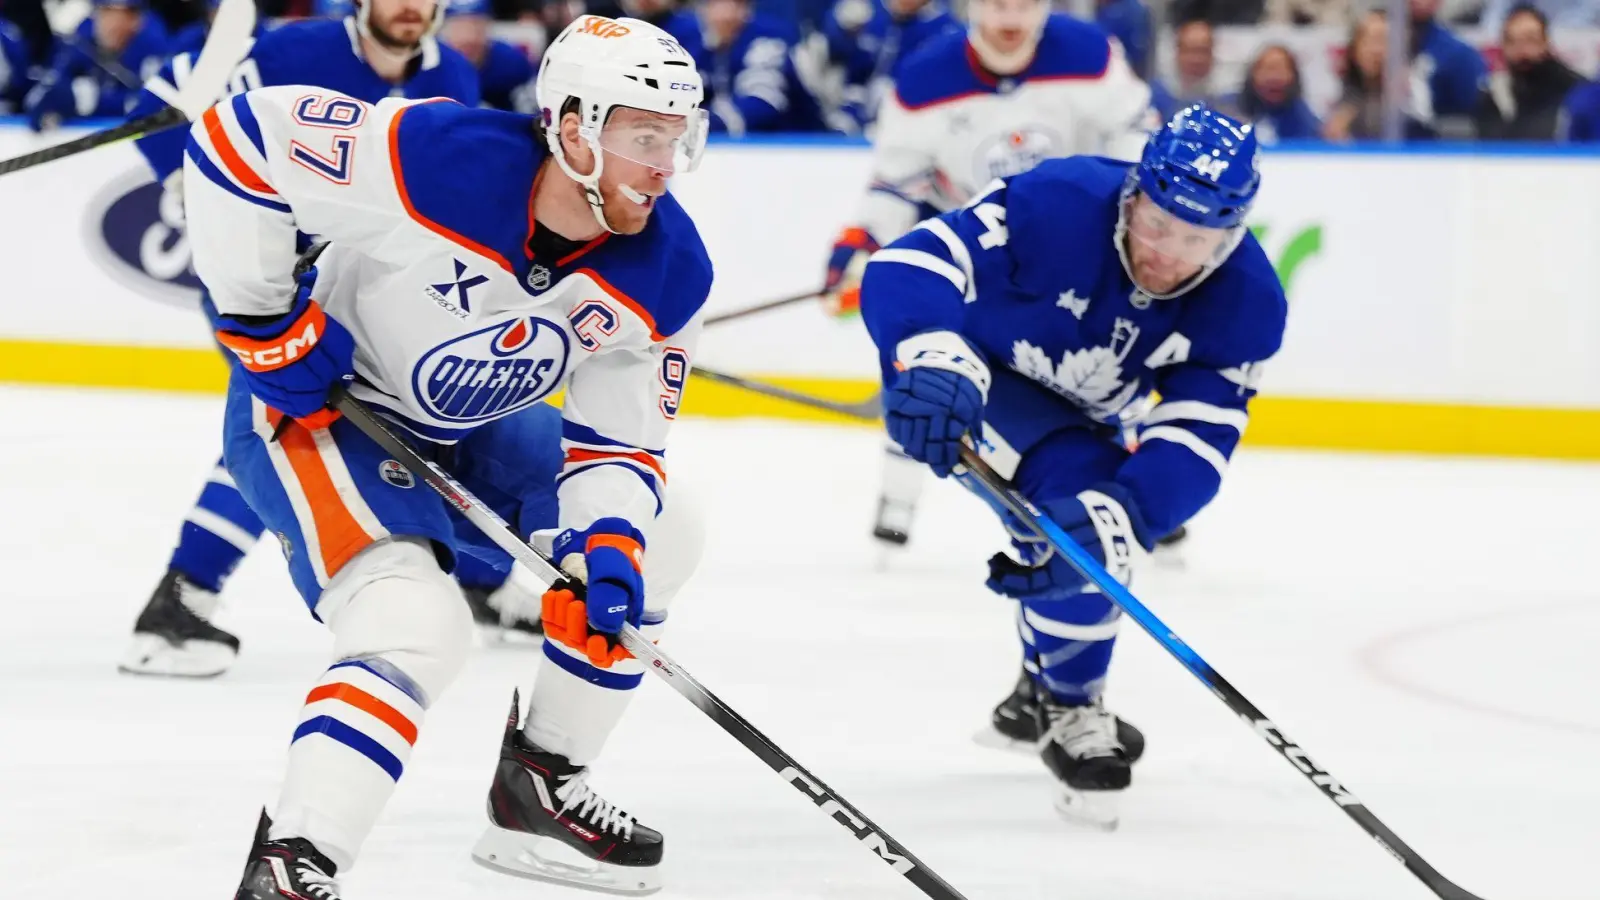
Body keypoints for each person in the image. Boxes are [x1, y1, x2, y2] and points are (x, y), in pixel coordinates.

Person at [187, 14, 712, 898]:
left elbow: (620, 438)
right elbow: (238, 139)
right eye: (644, 136)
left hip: (464, 430)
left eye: (677, 138)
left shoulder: (668, 267)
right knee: (416, 623)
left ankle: (538, 786)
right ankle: (293, 864)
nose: (666, 164)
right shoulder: (439, 155)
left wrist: (607, 539)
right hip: (324, 413)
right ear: (575, 128)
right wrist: (262, 319)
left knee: (665, 532)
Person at [857, 105, 1286, 825]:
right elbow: (914, 262)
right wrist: (930, 349)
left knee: (1094, 525)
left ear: (1232, 236)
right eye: (1157, 224)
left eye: (1196, 240)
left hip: (1079, 415)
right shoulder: (1056, 200)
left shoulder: (1245, 300)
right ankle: (1068, 703)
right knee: (1077, 502)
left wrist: (1133, 513)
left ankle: (1039, 693)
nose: (1166, 254)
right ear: (1134, 195)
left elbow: (1199, 432)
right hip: (966, 372)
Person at [117, 0, 484, 678]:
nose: (411, 7)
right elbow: (166, 96)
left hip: (369, 294)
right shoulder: (294, 53)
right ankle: (178, 598)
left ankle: (480, 582)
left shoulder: (455, 76)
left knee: (406, 424)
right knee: (286, 424)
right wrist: (190, 178)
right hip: (270, 286)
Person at [822, 0, 1153, 551]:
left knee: (1109, 370)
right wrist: (865, 240)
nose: (1010, 17)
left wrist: (1125, 208)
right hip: (973, 255)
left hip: (1073, 252)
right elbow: (896, 184)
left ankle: (1141, 492)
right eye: (997, 2)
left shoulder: (1091, 56)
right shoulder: (925, 78)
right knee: (927, 362)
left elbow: (1135, 137)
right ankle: (897, 498)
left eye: (1024, 3)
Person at [678, 0, 831, 134]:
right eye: (718, 3)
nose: (726, 13)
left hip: (796, 144)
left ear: (747, 8)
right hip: (738, 145)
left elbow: (762, 104)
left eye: (736, 3)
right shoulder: (697, 41)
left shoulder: (768, 38)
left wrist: (701, 124)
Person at [23, 0, 169, 130]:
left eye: (119, 14)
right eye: (104, 12)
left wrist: (94, 101)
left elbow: (155, 104)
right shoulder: (83, 35)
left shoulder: (153, 44)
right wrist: (52, 94)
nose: (109, 23)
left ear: (136, 18)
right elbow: (59, 77)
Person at [818, 0, 961, 130]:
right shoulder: (872, 13)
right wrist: (843, 30)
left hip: (910, 119)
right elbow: (854, 70)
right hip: (858, 111)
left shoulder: (945, 30)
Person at [1473, 3, 1584, 140]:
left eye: (1530, 40)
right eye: (1512, 41)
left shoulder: (1575, 90)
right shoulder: (1495, 92)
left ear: (1545, 43)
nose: (1522, 50)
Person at [440, 0, 538, 111]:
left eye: (477, 27)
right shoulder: (429, 65)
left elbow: (533, 115)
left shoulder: (512, 63)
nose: (469, 37)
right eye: (459, 28)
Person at [1223, 43, 1321, 143]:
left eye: (1281, 70)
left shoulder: (1303, 118)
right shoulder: (1227, 109)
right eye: (1268, 69)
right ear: (1252, 74)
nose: (1274, 78)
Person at [1151, 19, 1224, 119]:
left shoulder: (1226, 98)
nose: (1196, 59)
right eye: (1190, 51)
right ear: (1177, 53)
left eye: (1203, 51)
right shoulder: (1154, 95)